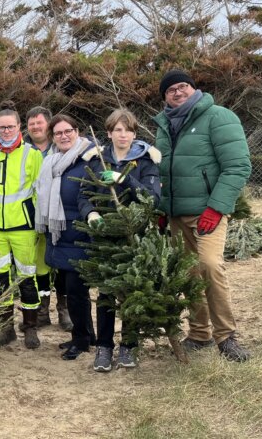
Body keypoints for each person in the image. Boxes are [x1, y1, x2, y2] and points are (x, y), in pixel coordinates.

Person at [154, 69, 252, 362]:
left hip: (207, 211)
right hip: (175, 214)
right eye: (170, 90)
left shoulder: (219, 117)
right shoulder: (164, 126)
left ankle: (227, 337)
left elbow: (238, 166)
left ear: (193, 89)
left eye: (182, 86)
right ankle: (200, 334)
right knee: (188, 273)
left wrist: (216, 207)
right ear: (165, 97)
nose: (177, 92)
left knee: (209, 265)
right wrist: (162, 207)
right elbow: (161, 172)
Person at [77, 108, 161, 372]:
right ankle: (104, 346)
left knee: (132, 290)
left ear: (134, 133)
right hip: (105, 238)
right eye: (117, 129)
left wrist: (123, 180)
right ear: (109, 133)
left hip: (135, 236)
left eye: (127, 129)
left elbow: (152, 198)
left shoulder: (146, 160)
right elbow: (84, 194)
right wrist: (90, 213)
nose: (122, 134)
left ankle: (129, 345)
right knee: (106, 292)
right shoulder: (97, 160)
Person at [35, 115, 96, 361]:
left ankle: (81, 341)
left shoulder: (89, 159)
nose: (64, 136)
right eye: (58, 133)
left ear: (77, 131)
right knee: (72, 290)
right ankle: (86, 334)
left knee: (76, 290)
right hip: (60, 234)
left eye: (68, 131)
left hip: (81, 234)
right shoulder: (52, 161)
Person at [0, 108, 44, 349]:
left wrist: (39, 223)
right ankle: (6, 328)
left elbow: (41, 190)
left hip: (23, 227)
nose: (6, 131)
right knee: (0, 281)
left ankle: (30, 328)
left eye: (10, 126)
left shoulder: (33, 154)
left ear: (19, 126)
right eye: (2, 127)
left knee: (27, 279)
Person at [25, 106, 67, 330]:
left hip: (60, 214)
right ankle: (42, 309)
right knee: (39, 264)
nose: (35, 127)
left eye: (39, 122)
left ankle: (63, 309)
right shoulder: (24, 151)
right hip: (33, 216)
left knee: (61, 264)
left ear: (48, 124)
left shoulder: (61, 147)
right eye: (31, 124)